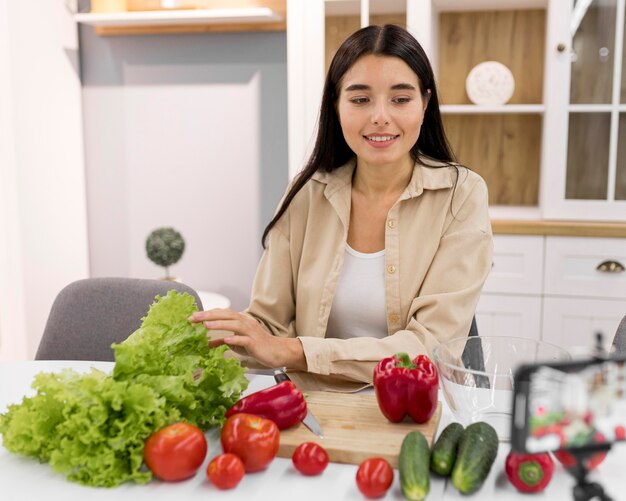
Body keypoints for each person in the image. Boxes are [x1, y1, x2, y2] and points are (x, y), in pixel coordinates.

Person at [190, 24, 493, 389]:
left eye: (400, 99)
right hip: (314, 408)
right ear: (336, 105)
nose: (380, 116)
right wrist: (201, 347)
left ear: (425, 103)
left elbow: (427, 349)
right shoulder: (306, 193)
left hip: (415, 407)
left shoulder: (461, 194)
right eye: (360, 99)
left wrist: (296, 352)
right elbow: (268, 326)